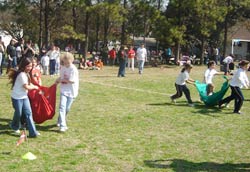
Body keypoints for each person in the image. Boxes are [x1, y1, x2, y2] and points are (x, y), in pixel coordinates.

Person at [8, 58, 40, 137]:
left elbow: (29, 84)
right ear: (24, 66)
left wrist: (37, 86)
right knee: (18, 113)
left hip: (24, 97)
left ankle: (33, 133)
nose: (30, 68)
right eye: (28, 66)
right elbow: (26, 87)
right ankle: (14, 126)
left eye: (31, 66)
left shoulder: (27, 74)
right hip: (16, 98)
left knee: (29, 114)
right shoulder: (22, 74)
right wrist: (35, 88)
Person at [55, 52, 79, 132]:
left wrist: (61, 80)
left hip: (72, 91)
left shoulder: (73, 69)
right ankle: (63, 125)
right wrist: (58, 80)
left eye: (68, 61)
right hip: (64, 90)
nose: (66, 63)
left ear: (71, 60)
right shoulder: (63, 68)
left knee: (67, 108)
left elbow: (71, 81)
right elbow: (61, 77)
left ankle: (59, 120)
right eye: (65, 61)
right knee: (62, 107)